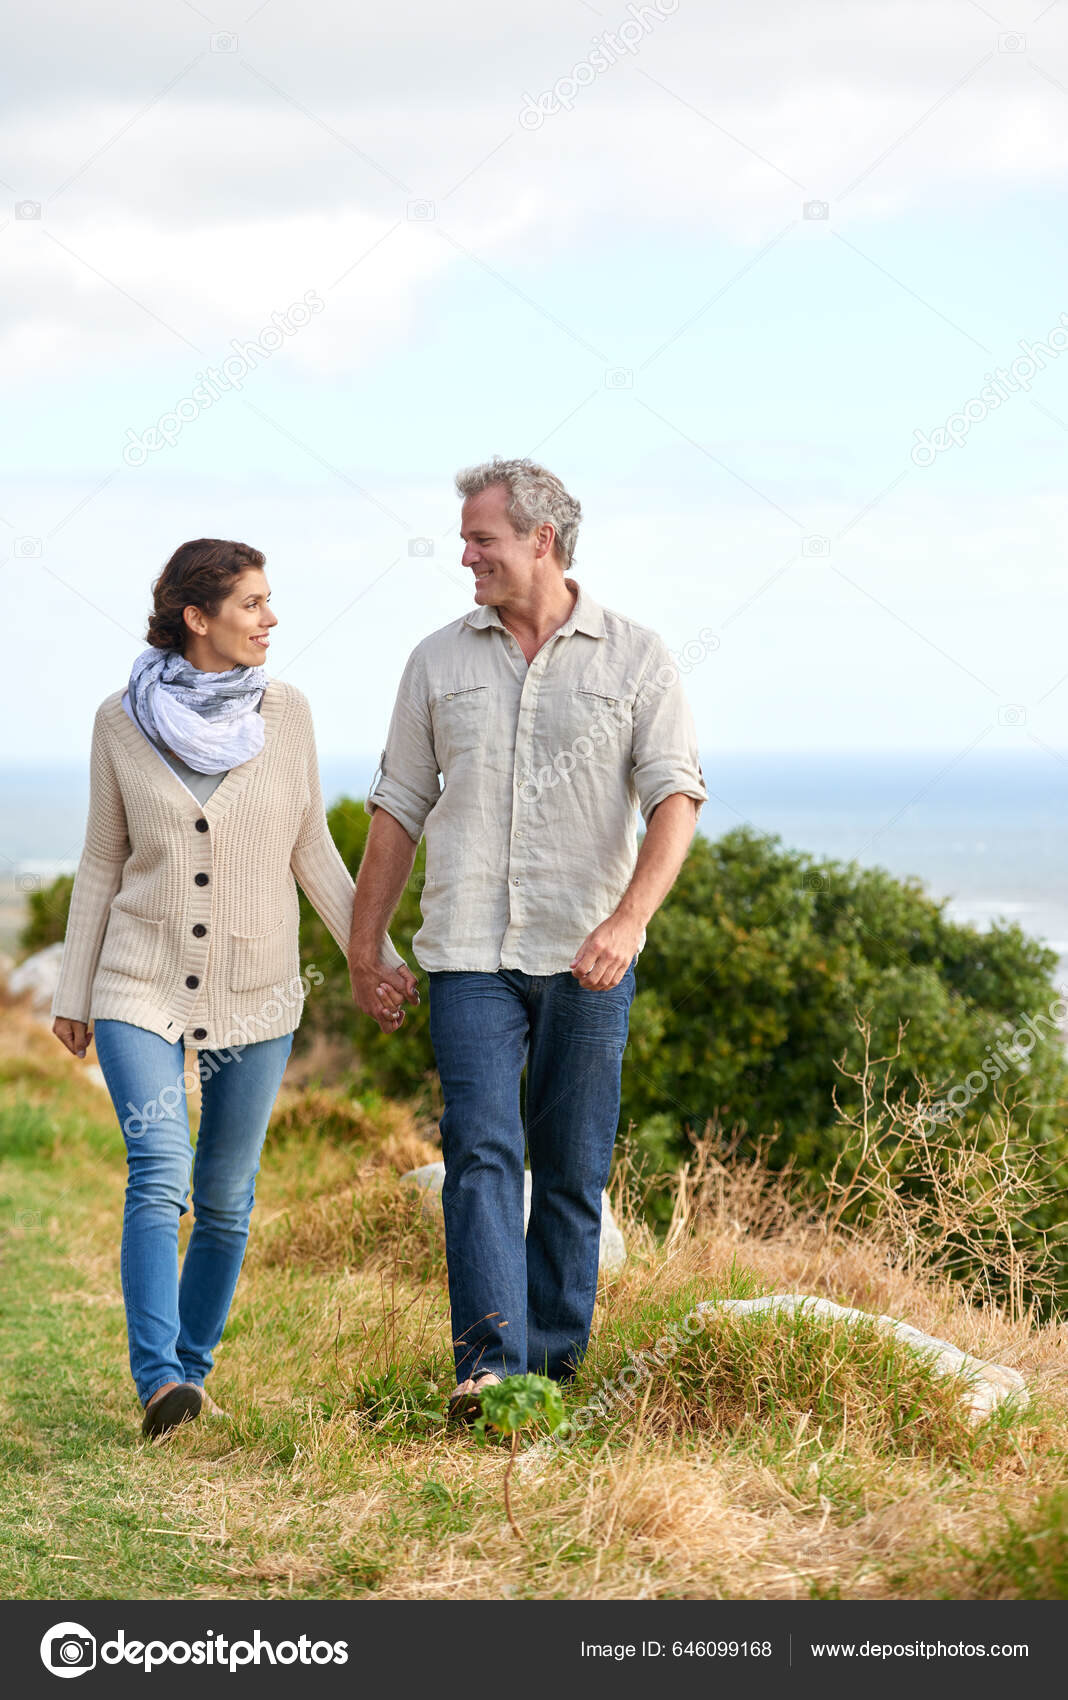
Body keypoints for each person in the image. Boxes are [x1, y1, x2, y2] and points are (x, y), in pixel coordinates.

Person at [350, 458, 708, 1421]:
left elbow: (675, 796)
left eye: (481, 539)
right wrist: (363, 945)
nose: (465, 556)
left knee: (573, 1165)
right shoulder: (436, 661)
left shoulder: (637, 656)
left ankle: (552, 1379)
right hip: (466, 951)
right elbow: (396, 809)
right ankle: (489, 1371)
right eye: (467, 540)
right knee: (478, 1150)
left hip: (589, 956)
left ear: (541, 540)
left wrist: (629, 921)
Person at [50, 538, 417, 1438]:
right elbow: (103, 858)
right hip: (136, 979)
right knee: (160, 1172)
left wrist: (372, 952)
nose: (271, 619)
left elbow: (310, 850)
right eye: (252, 603)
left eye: (268, 601)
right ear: (197, 617)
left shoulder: (286, 715)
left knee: (225, 1196)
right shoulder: (118, 720)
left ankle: (191, 1380)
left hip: (258, 988)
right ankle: (155, 1379)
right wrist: (71, 987)